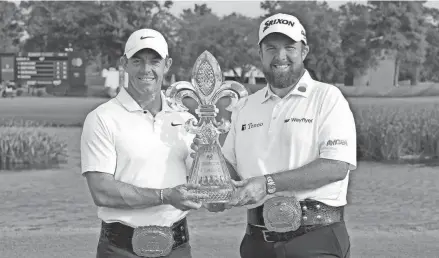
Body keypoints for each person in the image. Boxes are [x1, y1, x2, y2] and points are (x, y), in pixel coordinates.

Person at [192, 13, 357, 258]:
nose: (280, 56)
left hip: (315, 238)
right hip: (257, 241)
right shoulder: (246, 106)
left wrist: (268, 184)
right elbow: (232, 172)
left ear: (304, 51)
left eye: (289, 47)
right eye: (271, 48)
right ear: (261, 54)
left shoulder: (327, 97)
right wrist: (208, 163)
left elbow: (336, 166)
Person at [81, 28, 204, 258]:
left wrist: (205, 161)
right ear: (124, 63)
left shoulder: (185, 119)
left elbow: (198, 186)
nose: (146, 70)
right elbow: (101, 191)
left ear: (166, 65)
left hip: (177, 248)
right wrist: (165, 196)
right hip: (120, 250)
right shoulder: (102, 118)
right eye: (137, 61)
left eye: (154, 61)